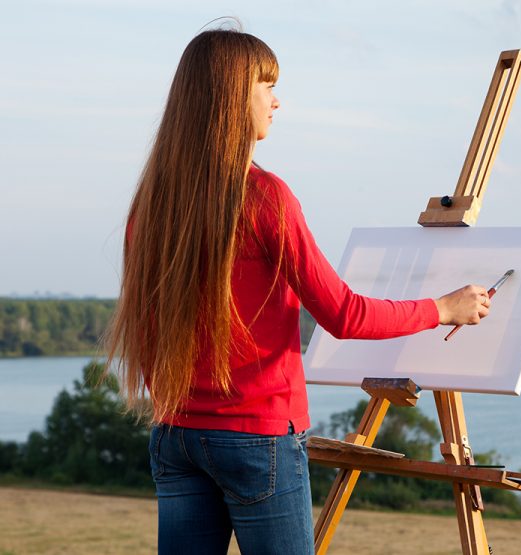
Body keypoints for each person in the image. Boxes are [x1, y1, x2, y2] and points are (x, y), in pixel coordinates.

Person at [105, 27, 491, 555]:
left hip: (176, 436)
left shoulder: (151, 204)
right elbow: (344, 314)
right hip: (258, 437)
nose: (276, 100)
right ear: (233, 98)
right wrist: (443, 308)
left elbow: (146, 329)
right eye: (266, 86)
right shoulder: (266, 198)